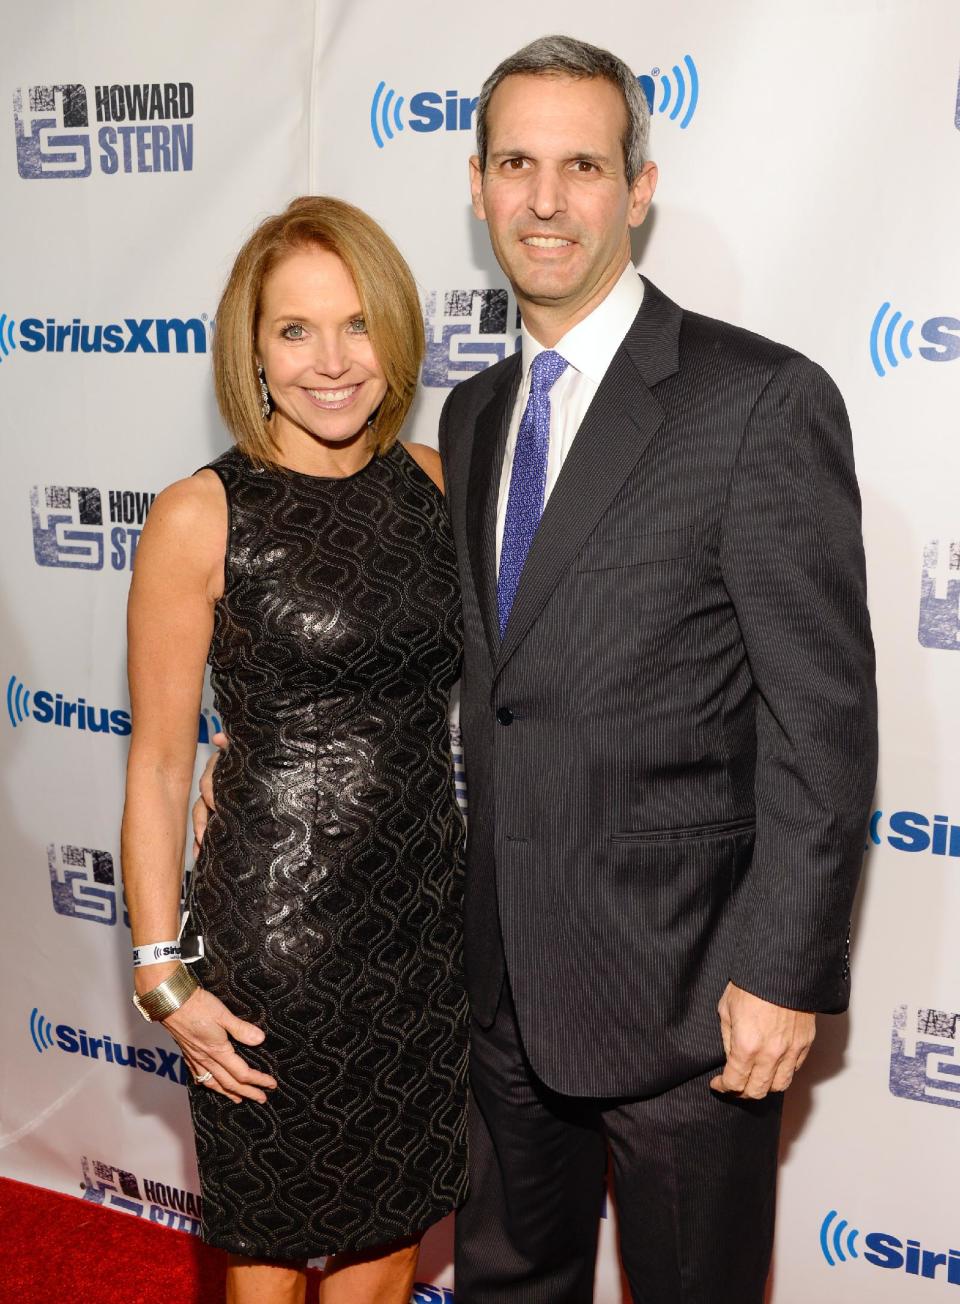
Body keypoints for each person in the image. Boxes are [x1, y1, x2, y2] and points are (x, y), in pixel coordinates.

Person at [436, 35, 877, 1304]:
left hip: (691, 996)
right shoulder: (472, 415)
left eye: (583, 164)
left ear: (638, 187)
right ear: (477, 187)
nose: (546, 198)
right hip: (504, 979)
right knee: (509, 1282)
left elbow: (823, 717)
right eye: (517, 162)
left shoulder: (756, 401)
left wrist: (784, 970)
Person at [121, 196, 468, 1304]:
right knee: (267, 1254)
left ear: (398, 335)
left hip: (424, 932)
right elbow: (163, 765)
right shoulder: (200, 515)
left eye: (358, 324)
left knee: (393, 1242)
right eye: (296, 329)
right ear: (252, 349)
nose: (333, 361)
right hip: (280, 942)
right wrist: (161, 973)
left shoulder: (437, 485)